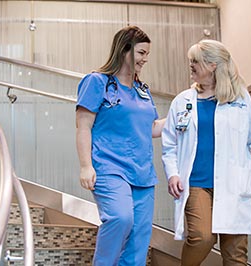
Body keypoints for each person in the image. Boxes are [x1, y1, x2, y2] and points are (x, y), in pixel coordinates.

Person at [161, 39, 251, 266]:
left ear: (213, 65)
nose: (191, 66)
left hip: (233, 183)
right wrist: (173, 173)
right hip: (196, 183)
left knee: (235, 253)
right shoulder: (182, 101)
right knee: (202, 238)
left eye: (196, 61)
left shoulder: (240, 99)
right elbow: (169, 144)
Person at [76, 25, 165, 266]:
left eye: (147, 54)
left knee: (139, 237)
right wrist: (86, 166)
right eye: (141, 53)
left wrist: (184, 116)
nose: (145, 59)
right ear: (124, 50)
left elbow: (153, 128)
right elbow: (83, 126)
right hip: (109, 168)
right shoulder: (97, 82)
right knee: (120, 217)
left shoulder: (142, 90)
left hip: (143, 174)